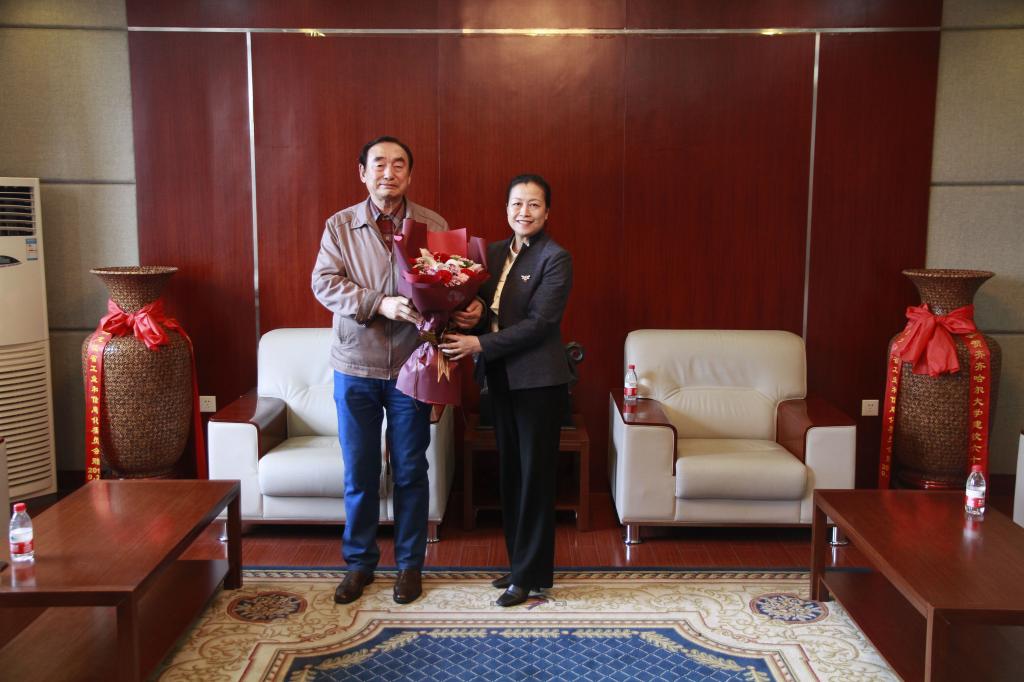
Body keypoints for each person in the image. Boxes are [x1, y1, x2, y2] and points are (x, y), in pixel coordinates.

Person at [312, 136, 482, 605]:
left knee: (410, 469)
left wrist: (466, 307)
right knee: (360, 471)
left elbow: (450, 285)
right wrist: (378, 303)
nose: (389, 173)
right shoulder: (340, 226)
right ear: (362, 172)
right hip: (356, 365)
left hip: (413, 367)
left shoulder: (433, 225)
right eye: (379, 164)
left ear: (410, 174)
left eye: (399, 165)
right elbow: (324, 283)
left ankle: (410, 566)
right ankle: (359, 564)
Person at [440, 174, 572, 607]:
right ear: (507, 209)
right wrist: (469, 317)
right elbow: (485, 311)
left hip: (538, 383)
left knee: (535, 478)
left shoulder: (556, 258)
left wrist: (477, 344)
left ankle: (530, 576)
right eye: (517, 203)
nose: (524, 212)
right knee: (511, 475)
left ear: (547, 212)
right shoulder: (493, 253)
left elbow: (540, 324)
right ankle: (521, 568)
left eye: (534, 204)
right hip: (499, 379)